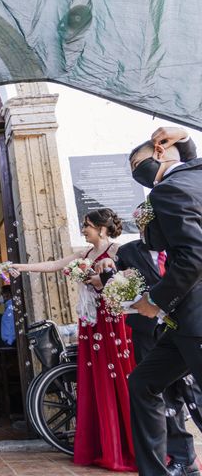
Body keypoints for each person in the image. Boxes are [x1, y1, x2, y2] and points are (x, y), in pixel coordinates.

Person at [10, 208, 136, 471]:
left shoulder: (116, 251)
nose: (84, 229)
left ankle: (124, 445)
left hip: (111, 321)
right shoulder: (85, 254)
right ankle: (102, 444)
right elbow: (54, 265)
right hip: (91, 322)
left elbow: (131, 278)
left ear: (102, 228)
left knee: (115, 378)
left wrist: (104, 278)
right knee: (94, 380)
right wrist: (20, 267)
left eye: (87, 225)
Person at [126, 128, 202, 476]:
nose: (134, 173)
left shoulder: (168, 191)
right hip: (183, 321)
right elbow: (191, 160)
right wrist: (183, 138)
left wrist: (154, 300)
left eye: (135, 165)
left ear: (158, 151)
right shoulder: (194, 175)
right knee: (143, 382)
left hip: (196, 315)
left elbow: (193, 258)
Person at [100, 231, 202, 472]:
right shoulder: (128, 251)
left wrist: (156, 300)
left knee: (193, 394)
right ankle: (182, 459)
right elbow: (115, 282)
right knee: (159, 394)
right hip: (149, 332)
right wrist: (107, 271)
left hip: (190, 326)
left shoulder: (184, 247)